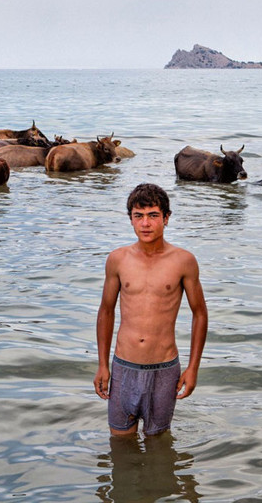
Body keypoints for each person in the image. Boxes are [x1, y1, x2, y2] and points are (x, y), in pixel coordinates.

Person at [93, 183, 208, 437]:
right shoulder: (118, 259)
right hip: (124, 366)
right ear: (131, 219)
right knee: (120, 446)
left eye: (153, 215)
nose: (146, 223)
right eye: (139, 216)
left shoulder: (183, 261)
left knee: (158, 446)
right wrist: (103, 364)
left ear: (166, 218)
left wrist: (193, 368)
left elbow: (200, 313)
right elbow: (106, 311)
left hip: (164, 368)